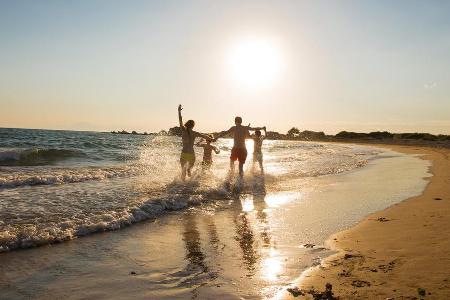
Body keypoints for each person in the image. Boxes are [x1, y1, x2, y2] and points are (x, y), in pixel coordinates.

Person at [177, 104, 212, 181]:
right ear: (193, 126)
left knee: (183, 171)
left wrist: (179, 111)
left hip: (183, 153)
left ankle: (181, 187)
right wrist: (211, 138)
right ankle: (189, 186)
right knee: (189, 170)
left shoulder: (183, 130)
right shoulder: (195, 133)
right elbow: (204, 136)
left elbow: (180, 120)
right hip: (191, 154)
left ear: (187, 124)